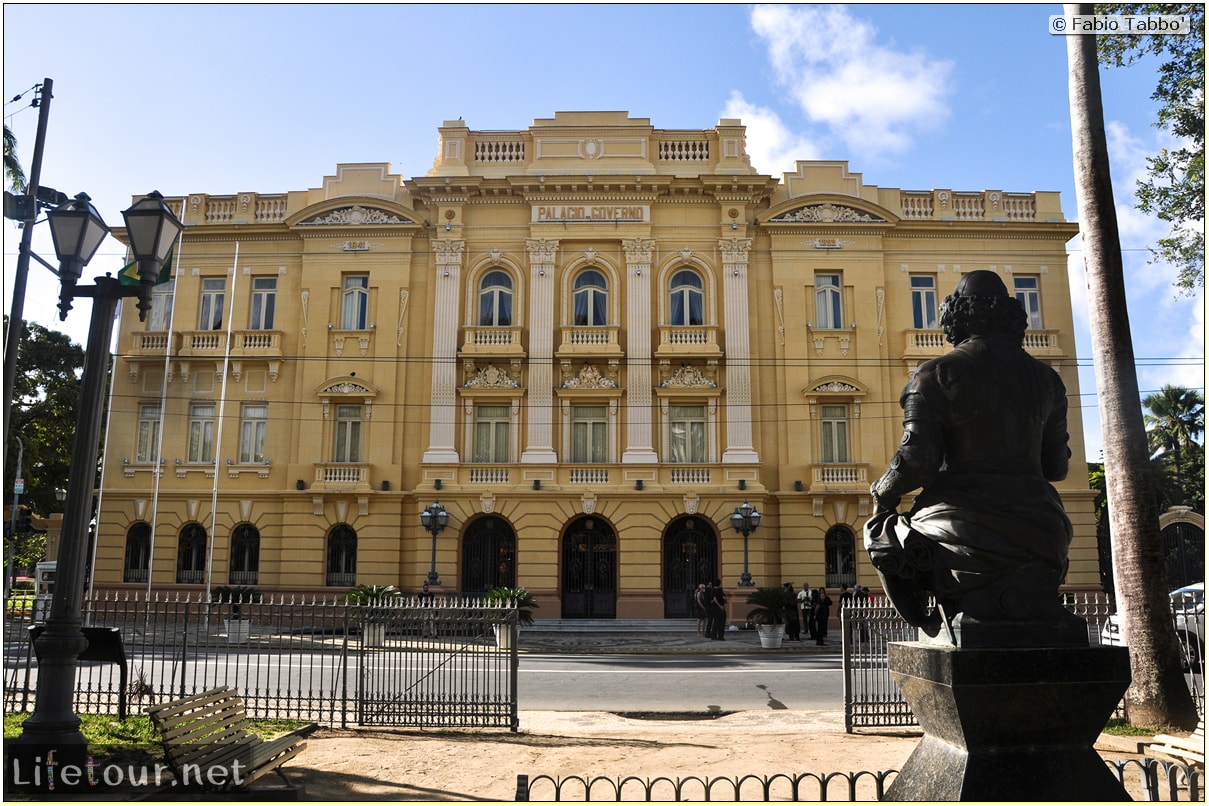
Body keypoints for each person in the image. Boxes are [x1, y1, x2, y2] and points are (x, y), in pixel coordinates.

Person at [863, 270, 1082, 647]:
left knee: (881, 534)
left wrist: (882, 492)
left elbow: (917, 458)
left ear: (954, 317)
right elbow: (1056, 467)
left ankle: (930, 623)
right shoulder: (1048, 379)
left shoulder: (934, 375)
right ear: (1011, 317)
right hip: (1044, 529)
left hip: (960, 524)